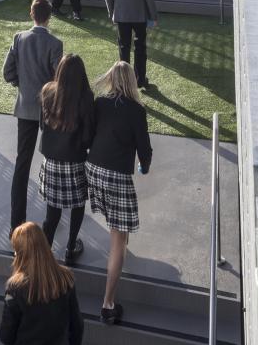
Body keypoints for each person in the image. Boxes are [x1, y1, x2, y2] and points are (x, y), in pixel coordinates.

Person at [85, 61, 152, 325]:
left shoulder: (100, 103)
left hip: (93, 170)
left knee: (116, 227)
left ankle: (120, 235)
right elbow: (144, 148)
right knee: (118, 241)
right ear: (133, 81)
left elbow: (90, 133)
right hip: (116, 177)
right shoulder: (137, 110)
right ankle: (108, 304)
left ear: (111, 78)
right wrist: (144, 166)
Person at [3, 0, 64, 234]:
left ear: (31, 14)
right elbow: (59, 80)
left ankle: (15, 225)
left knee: (22, 164)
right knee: (54, 164)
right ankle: (51, 222)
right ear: (49, 17)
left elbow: (7, 72)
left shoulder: (19, 38)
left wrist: (23, 87)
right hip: (48, 112)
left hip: (25, 108)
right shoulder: (55, 43)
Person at [38, 54, 94, 263]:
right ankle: (71, 247)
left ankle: (44, 254)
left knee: (52, 213)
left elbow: (43, 125)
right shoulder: (86, 97)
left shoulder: (47, 91)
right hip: (75, 161)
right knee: (78, 205)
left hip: (51, 162)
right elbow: (88, 137)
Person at [0, 222, 84, 345]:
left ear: (20, 254)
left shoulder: (15, 288)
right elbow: (77, 326)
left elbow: (6, 335)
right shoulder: (66, 278)